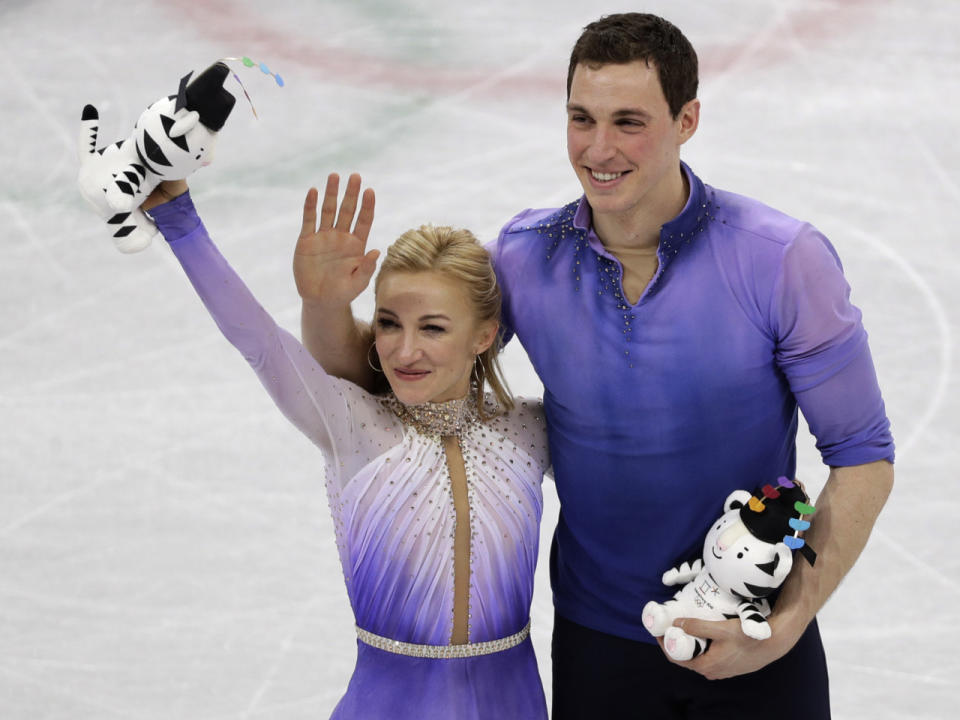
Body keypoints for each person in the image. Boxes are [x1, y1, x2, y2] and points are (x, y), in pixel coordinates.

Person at [297, 12, 895, 720]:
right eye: (582, 118)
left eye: (628, 122)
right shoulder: (525, 259)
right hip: (599, 650)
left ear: (687, 119)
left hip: (753, 637)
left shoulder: (780, 260)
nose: (598, 149)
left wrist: (787, 623)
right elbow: (388, 375)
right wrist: (326, 307)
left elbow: (862, 454)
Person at [137, 176, 551, 719]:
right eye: (388, 323)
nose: (405, 350)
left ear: (482, 336)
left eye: (432, 328)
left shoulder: (529, 430)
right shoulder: (355, 426)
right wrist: (179, 219)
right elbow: (259, 344)